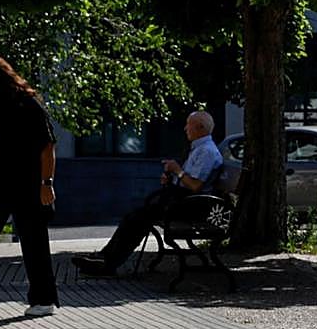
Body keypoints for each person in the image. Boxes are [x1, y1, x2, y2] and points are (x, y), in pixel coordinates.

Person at [72, 111, 222, 276]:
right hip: (182, 202)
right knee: (133, 217)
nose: (185, 128)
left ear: (200, 128)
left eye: (189, 124)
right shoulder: (199, 149)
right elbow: (188, 181)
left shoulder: (206, 151)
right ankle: (104, 257)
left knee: (138, 219)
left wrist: (177, 171)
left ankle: (108, 263)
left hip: (190, 207)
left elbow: (195, 186)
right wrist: (172, 178)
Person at [0, 54, 59, 316]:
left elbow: (47, 146)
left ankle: (44, 300)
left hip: (26, 182)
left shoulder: (27, 104)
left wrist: (47, 184)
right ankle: (43, 299)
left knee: (34, 240)